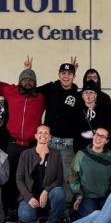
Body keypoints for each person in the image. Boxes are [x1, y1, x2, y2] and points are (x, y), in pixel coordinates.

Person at [0, 62, 47, 217]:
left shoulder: (41, 97)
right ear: (19, 81)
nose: (28, 82)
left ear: (36, 83)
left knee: (29, 178)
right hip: (13, 145)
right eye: (25, 79)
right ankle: (8, 209)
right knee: (10, 178)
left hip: (31, 147)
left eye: (31, 80)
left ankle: (27, 209)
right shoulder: (10, 91)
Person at [38, 59, 82, 203]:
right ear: (58, 74)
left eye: (70, 73)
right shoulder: (51, 88)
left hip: (67, 143)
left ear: (74, 76)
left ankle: (65, 210)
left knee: (67, 177)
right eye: (63, 73)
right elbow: (30, 90)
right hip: (49, 141)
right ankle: (44, 208)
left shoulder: (77, 95)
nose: (66, 76)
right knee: (46, 175)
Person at [15, 124, 66, 223]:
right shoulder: (26, 154)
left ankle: (52, 222)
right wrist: (28, 196)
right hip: (31, 198)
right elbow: (19, 178)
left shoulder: (56, 154)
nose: (43, 135)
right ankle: (34, 219)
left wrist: (46, 190)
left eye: (46, 133)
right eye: (40, 133)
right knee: (25, 215)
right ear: (35, 136)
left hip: (48, 198)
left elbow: (59, 179)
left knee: (59, 192)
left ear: (50, 137)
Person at [69, 126, 111, 217]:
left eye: (103, 136)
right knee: (93, 219)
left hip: (104, 196)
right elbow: (73, 177)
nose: (98, 138)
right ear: (93, 136)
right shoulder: (81, 155)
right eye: (97, 134)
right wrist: (79, 195)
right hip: (86, 196)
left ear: (107, 141)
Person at [75, 80, 111, 156]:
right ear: (82, 95)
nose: (88, 95)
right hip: (82, 148)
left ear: (96, 95)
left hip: (101, 149)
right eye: (86, 92)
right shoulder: (77, 110)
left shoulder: (105, 110)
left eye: (91, 92)